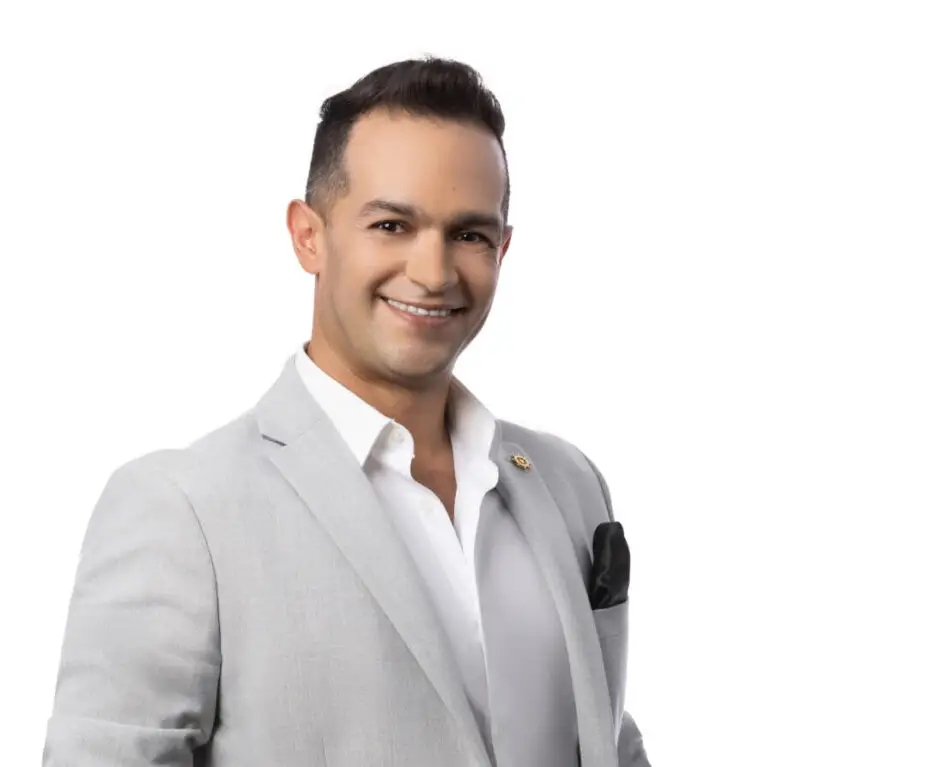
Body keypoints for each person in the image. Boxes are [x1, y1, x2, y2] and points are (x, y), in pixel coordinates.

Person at [42, 56, 651, 767]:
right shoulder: (184, 510)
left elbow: (606, 737)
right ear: (309, 234)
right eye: (393, 225)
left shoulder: (565, 480)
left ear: (503, 248)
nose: (433, 271)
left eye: (470, 234)